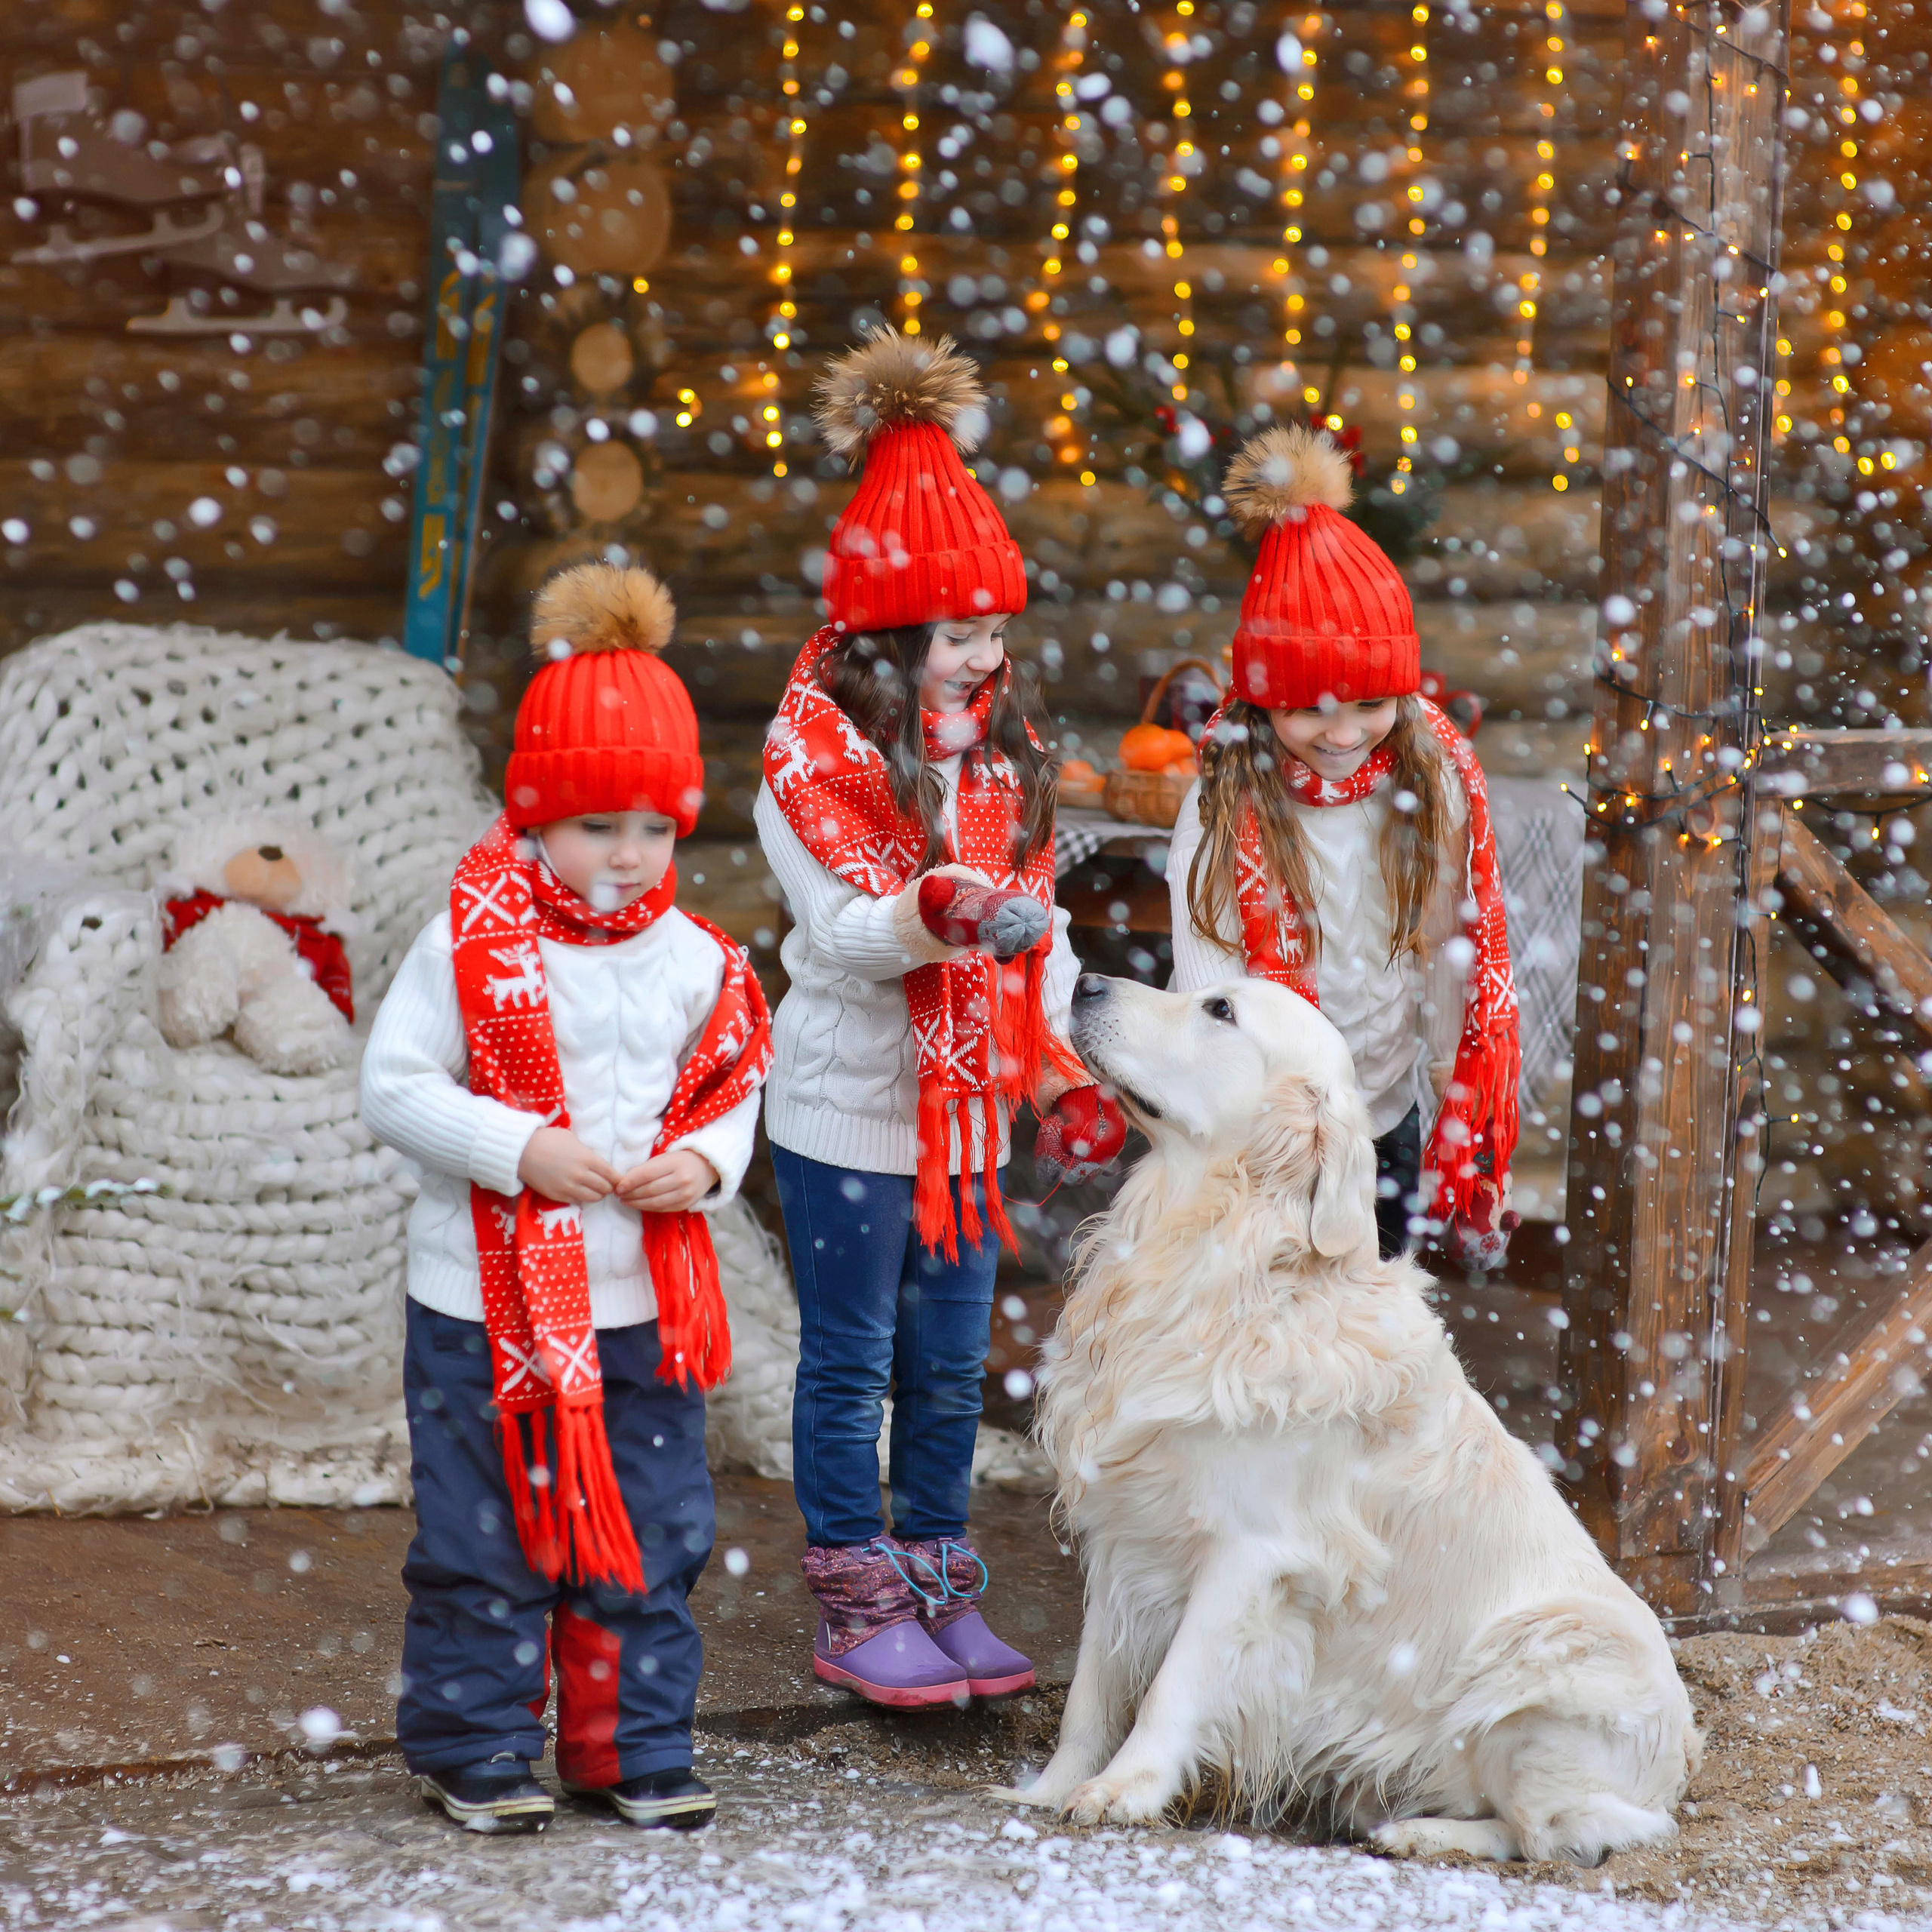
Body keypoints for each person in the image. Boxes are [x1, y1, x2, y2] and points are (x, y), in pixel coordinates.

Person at [361, 561, 771, 1835]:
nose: (628, 855)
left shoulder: (700, 956)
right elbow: (392, 1083)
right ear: (535, 818)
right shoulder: (473, 939)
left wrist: (704, 1165)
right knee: (487, 1545)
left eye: (656, 827)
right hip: (483, 1312)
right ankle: (478, 1747)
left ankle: (629, 1744)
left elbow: (730, 1087)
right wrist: (514, 1148)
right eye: (598, 826)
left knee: (649, 1535)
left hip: (643, 1309)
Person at [756, 327, 1124, 1709]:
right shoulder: (813, 766)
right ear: (887, 638)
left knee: (953, 1359)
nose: (986, 654)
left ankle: (938, 1574)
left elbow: (1043, 925)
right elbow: (843, 940)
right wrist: (944, 914)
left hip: (967, 1120)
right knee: (855, 1362)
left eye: (993, 628)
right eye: (958, 633)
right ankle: (856, 1594)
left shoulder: (1007, 762)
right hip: (853, 1110)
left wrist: (1062, 1046)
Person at [1167, 424, 1520, 1269]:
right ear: (1260, 703)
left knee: (1370, 1315)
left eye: (1367, 703)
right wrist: (1244, 1128)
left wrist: (1451, 1102)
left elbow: (1449, 956)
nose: (1341, 733)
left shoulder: (1434, 786)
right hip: (1264, 1128)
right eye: (1308, 709)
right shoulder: (1225, 805)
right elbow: (1209, 978)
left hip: (1384, 1110)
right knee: (1267, 1326)